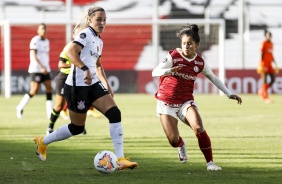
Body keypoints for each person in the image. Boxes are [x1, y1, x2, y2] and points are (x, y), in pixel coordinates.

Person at [34, 6, 138, 170]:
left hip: (94, 85)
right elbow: (70, 52)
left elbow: (98, 65)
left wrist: (106, 84)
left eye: (104, 20)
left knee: (114, 113)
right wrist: (84, 69)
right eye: (99, 19)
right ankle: (43, 141)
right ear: (90, 20)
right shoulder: (85, 34)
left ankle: (120, 158)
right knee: (77, 128)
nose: (102, 23)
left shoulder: (99, 40)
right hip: (77, 87)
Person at [152, 24, 242, 171]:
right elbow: (155, 72)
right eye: (183, 43)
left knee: (199, 127)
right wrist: (169, 70)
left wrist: (228, 93)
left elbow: (213, 77)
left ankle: (210, 164)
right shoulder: (173, 56)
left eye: (189, 43)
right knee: (173, 140)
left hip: (185, 102)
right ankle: (181, 145)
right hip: (165, 103)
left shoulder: (199, 62)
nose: (186, 46)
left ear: (196, 45)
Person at [46, 41, 100, 135]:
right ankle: (50, 127)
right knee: (59, 105)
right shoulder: (70, 47)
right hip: (64, 77)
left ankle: (80, 127)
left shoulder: (86, 47)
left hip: (77, 78)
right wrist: (76, 65)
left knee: (80, 103)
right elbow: (60, 64)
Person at [16, 23, 53, 119]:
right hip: (36, 69)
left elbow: (45, 56)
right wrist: (41, 67)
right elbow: (34, 56)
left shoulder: (47, 41)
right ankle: (19, 107)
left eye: (45, 28)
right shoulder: (35, 40)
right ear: (38, 30)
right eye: (41, 28)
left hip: (46, 69)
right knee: (34, 90)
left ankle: (49, 113)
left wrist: (46, 67)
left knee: (49, 88)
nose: (43, 30)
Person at [257, 30, 279, 103]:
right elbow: (261, 53)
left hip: (270, 64)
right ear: (266, 36)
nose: (269, 36)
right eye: (268, 35)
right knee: (265, 80)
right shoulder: (264, 43)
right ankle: (265, 96)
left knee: (273, 80)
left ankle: (261, 91)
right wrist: (261, 64)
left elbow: (271, 54)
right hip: (264, 64)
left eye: (270, 35)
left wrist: (275, 63)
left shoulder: (271, 44)